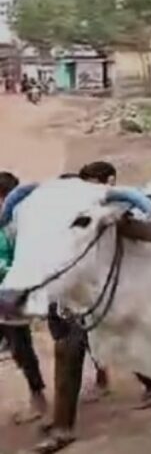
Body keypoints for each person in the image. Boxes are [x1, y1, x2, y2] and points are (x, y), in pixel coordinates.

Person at [77, 161, 151, 408]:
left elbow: (147, 219)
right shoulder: (90, 207)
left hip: (139, 276)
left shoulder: (124, 202)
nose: (88, 189)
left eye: (93, 184)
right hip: (111, 282)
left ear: (110, 181)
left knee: (133, 331)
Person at [1, 170, 49, 426]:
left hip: (21, 294)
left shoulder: (21, 223)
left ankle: (38, 398)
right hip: (7, 296)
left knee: (21, 346)